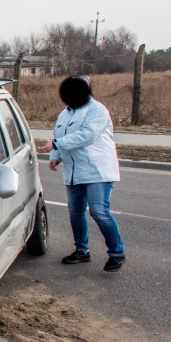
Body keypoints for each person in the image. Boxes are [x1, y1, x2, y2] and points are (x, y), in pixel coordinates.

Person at [36, 76, 126, 272]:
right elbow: (58, 136)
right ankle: (82, 251)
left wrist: (57, 145)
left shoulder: (97, 110)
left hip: (97, 171)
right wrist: (56, 155)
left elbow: (87, 135)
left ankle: (117, 253)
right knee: (75, 212)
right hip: (74, 171)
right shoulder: (65, 114)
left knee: (98, 212)